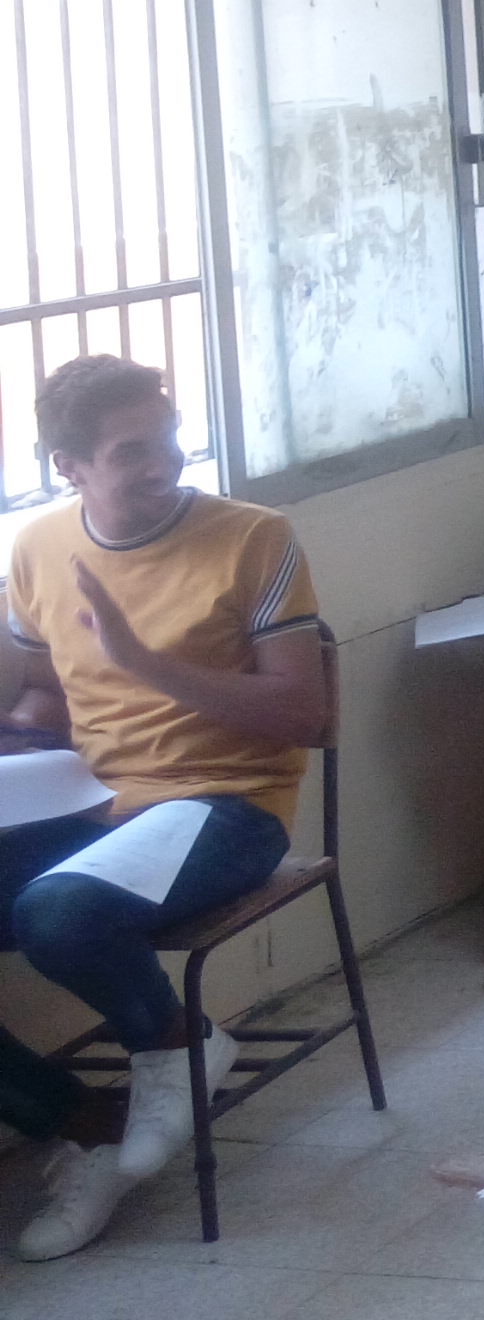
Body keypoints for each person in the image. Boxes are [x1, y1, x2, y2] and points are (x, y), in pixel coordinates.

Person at [0, 356, 332, 1260]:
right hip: (94, 807)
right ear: (68, 466)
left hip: (227, 804)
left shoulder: (255, 536)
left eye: (169, 438)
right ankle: (81, 1124)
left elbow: (304, 714)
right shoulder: (36, 548)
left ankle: (176, 1045)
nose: (165, 463)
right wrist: (19, 731)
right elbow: (46, 695)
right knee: (53, 901)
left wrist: (145, 664)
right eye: (131, 452)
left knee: (57, 914)